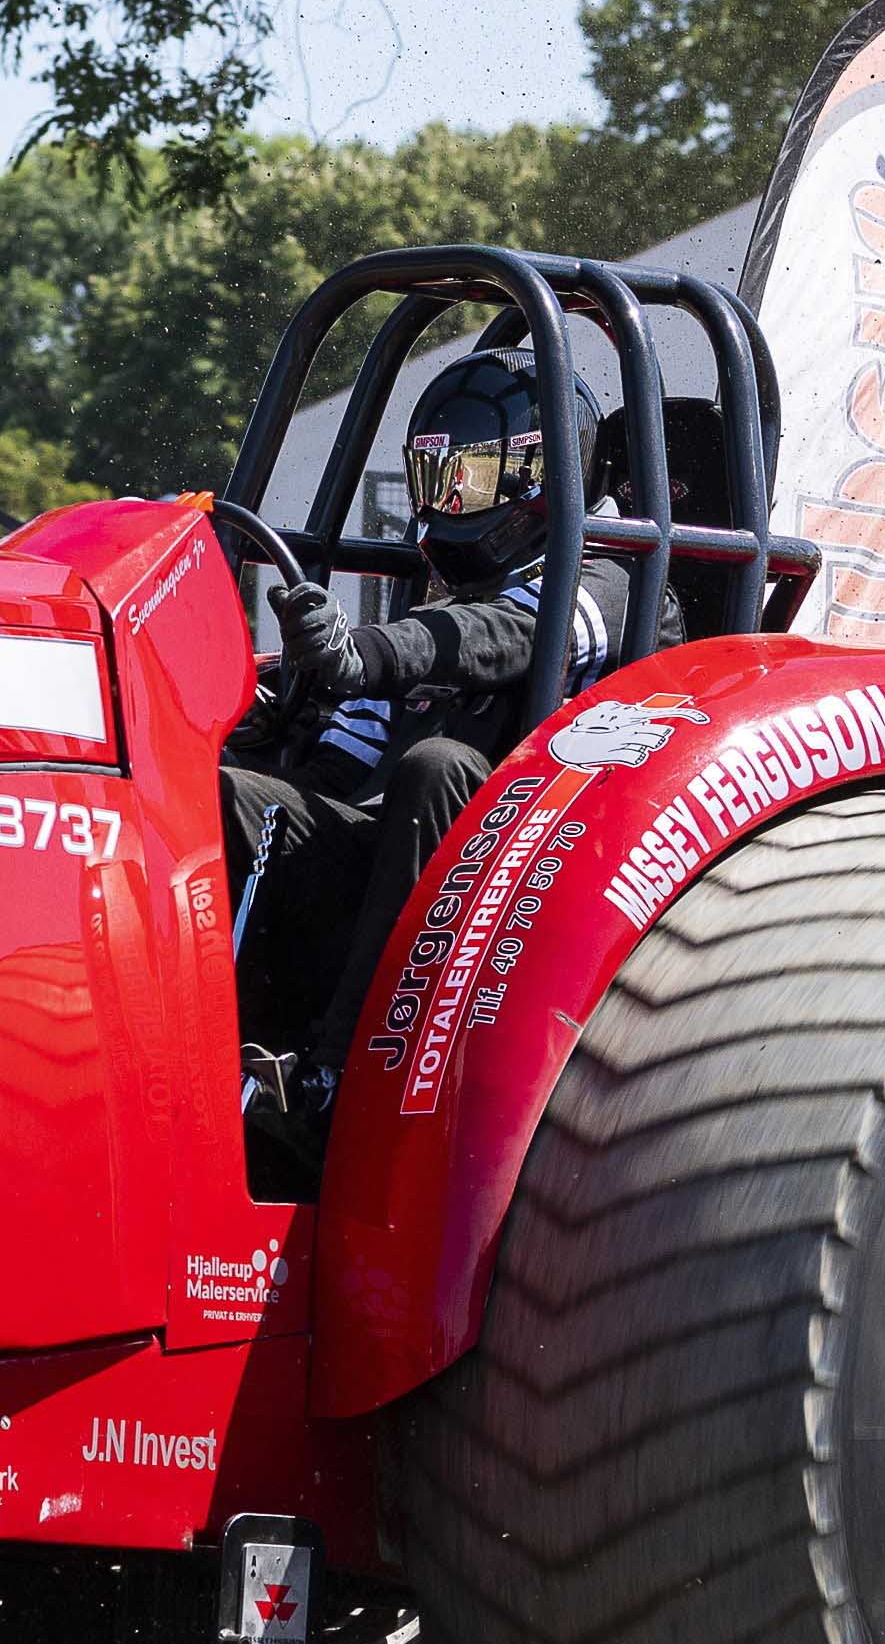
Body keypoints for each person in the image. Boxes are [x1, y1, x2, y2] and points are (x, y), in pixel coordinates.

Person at [244, 335, 675, 1105]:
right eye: (434, 479)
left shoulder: (614, 578)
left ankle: (338, 1081)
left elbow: (507, 639)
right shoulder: (443, 593)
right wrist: (266, 743)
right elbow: (341, 765)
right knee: (234, 799)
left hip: (531, 893)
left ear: (537, 475)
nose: (445, 506)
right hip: (408, 870)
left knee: (435, 766)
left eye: (466, 481)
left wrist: (362, 653)